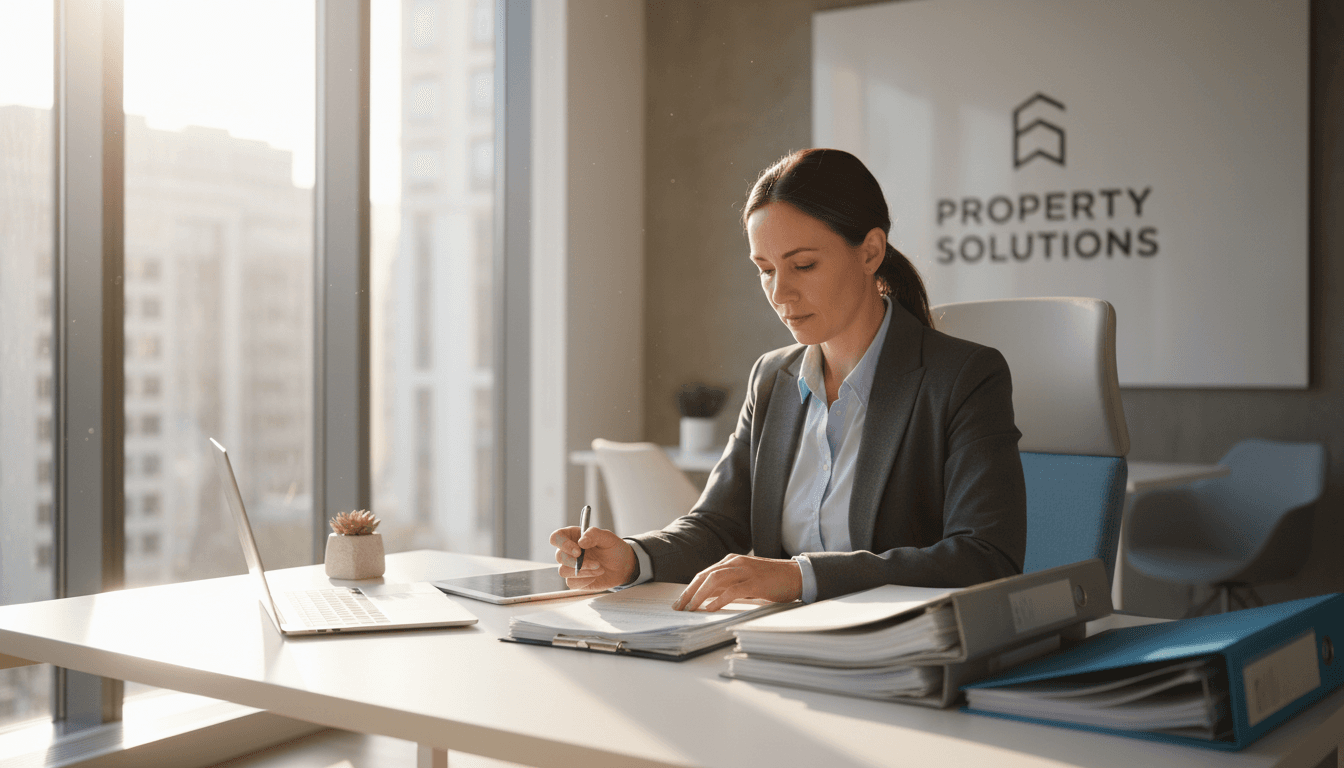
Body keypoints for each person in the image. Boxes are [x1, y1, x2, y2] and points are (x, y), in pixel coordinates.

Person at [551, 148, 1026, 611]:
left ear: (870, 252)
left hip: (892, 648)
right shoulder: (771, 378)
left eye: (803, 266)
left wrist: (799, 577)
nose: (780, 293)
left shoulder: (963, 377)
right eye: (765, 270)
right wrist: (634, 558)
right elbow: (717, 525)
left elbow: (985, 557)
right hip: (774, 644)